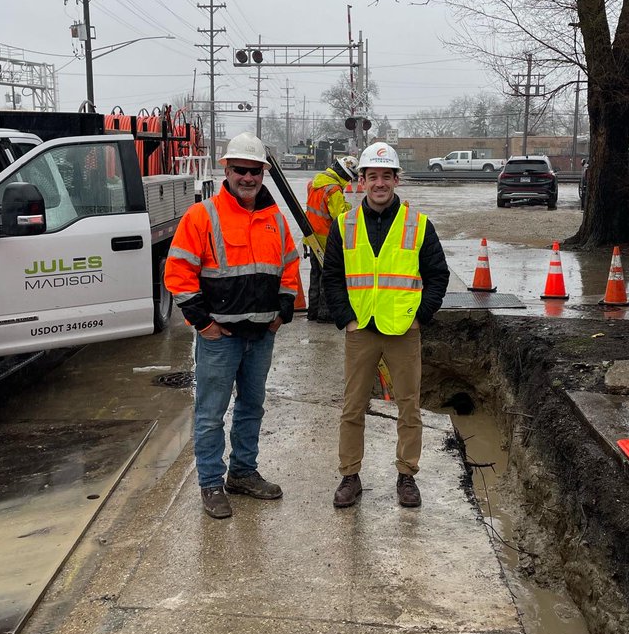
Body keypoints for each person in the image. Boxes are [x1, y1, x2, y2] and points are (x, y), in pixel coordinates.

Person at [165, 132, 301, 519]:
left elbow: (290, 267)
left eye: (255, 171)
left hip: (261, 335)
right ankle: (211, 483)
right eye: (241, 169)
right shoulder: (202, 216)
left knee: (251, 407)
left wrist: (282, 313)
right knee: (210, 413)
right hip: (219, 338)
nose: (247, 177)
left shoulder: (274, 218)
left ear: (264, 173)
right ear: (227, 169)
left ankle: (242, 473)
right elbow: (178, 273)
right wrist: (203, 324)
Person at [323, 142, 449, 509]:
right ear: (360, 181)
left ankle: (407, 475)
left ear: (397, 180)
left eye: (386, 176)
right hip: (361, 329)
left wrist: (419, 315)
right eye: (372, 176)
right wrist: (345, 318)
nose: (379, 183)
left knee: (409, 407)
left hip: (402, 331)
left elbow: (437, 276)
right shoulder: (344, 225)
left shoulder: (418, 224)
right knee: (352, 407)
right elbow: (332, 276)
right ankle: (350, 475)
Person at [304, 154, 358, 322]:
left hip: (312, 237)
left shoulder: (315, 182)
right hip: (327, 240)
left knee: (315, 275)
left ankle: (312, 312)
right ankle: (325, 314)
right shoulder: (333, 189)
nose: (348, 182)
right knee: (328, 278)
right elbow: (340, 216)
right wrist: (348, 206)